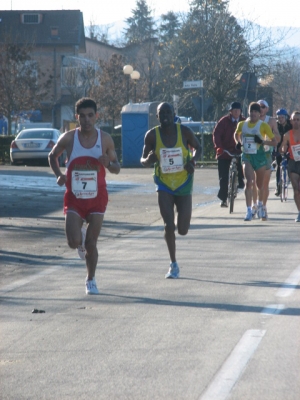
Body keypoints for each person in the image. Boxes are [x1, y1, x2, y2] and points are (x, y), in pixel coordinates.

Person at [48, 98, 120, 295]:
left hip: (97, 197)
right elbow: (52, 156)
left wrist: (108, 164)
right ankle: (77, 239)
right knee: (73, 242)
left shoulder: (105, 139)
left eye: (91, 115)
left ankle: (90, 279)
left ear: (96, 116)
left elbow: (117, 167)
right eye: (83, 116)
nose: (87, 120)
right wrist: (59, 175)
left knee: (91, 243)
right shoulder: (69, 138)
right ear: (76, 117)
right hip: (74, 198)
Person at [140, 102, 201, 279]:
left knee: (182, 229)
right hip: (164, 183)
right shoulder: (152, 135)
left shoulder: (184, 132)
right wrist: (149, 160)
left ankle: (178, 232)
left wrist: (193, 161)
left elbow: (199, 147)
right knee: (168, 225)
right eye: (162, 113)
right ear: (157, 117)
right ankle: (173, 264)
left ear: (174, 113)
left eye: (168, 112)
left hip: (184, 183)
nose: (165, 115)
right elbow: (142, 159)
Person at [234, 102, 277, 221]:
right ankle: (248, 210)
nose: (253, 113)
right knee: (249, 182)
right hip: (247, 156)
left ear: (259, 114)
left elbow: (274, 142)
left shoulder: (263, 126)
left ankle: (260, 205)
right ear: (248, 112)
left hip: (260, 157)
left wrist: (262, 142)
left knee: (260, 185)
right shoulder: (242, 124)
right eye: (251, 111)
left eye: (255, 112)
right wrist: (238, 142)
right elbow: (236, 134)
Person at [250, 99, 280, 219]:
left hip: (266, 153)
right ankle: (254, 205)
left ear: (267, 109)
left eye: (263, 107)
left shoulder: (271, 121)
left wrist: (267, 139)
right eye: (258, 107)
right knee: (253, 182)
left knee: (264, 183)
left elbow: (277, 136)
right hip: (253, 153)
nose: (260, 109)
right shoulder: (250, 120)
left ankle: (263, 206)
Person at [212, 101, 245, 207]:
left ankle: (240, 182)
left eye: (238, 110)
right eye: (234, 110)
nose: (236, 112)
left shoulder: (245, 122)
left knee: (243, 168)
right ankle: (223, 199)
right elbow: (216, 134)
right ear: (230, 111)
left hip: (240, 151)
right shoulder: (224, 121)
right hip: (225, 151)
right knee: (223, 177)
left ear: (241, 111)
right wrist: (219, 147)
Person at [281, 111, 300, 222]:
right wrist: (283, 150)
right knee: (296, 190)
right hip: (293, 162)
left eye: (298, 119)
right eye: (295, 119)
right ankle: (299, 211)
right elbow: (282, 148)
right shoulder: (287, 135)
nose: (296, 122)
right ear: (291, 121)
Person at [274, 108, 292, 196]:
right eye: (278, 117)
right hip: (278, 147)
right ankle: (278, 187)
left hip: (290, 147)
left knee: (291, 163)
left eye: (282, 117)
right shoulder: (276, 125)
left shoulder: (291, 125)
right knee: (278, 165)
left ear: (286, 117)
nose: (280, 119)